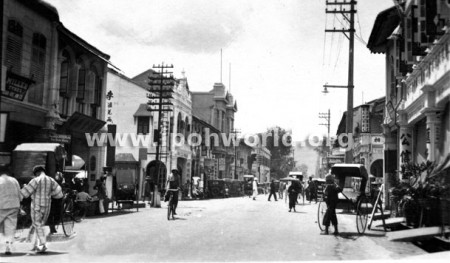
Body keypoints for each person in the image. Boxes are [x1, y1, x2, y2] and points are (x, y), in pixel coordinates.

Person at [20, 165, 63, 253]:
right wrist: (50, 194)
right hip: (47, 206)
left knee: (37, 224)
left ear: (37, 173)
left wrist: (23, 188)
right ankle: (35, 244)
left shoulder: (35, 180)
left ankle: (43, 244)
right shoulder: (51, 180)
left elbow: (25, 193)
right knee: (39, 224)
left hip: (36, 205)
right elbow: (59, 193)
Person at [0, 165, 22, 255]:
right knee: (10, 227)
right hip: (14, 206)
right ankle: (8, 246)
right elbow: (19, 195)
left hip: (1, 206)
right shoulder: (14, 180)